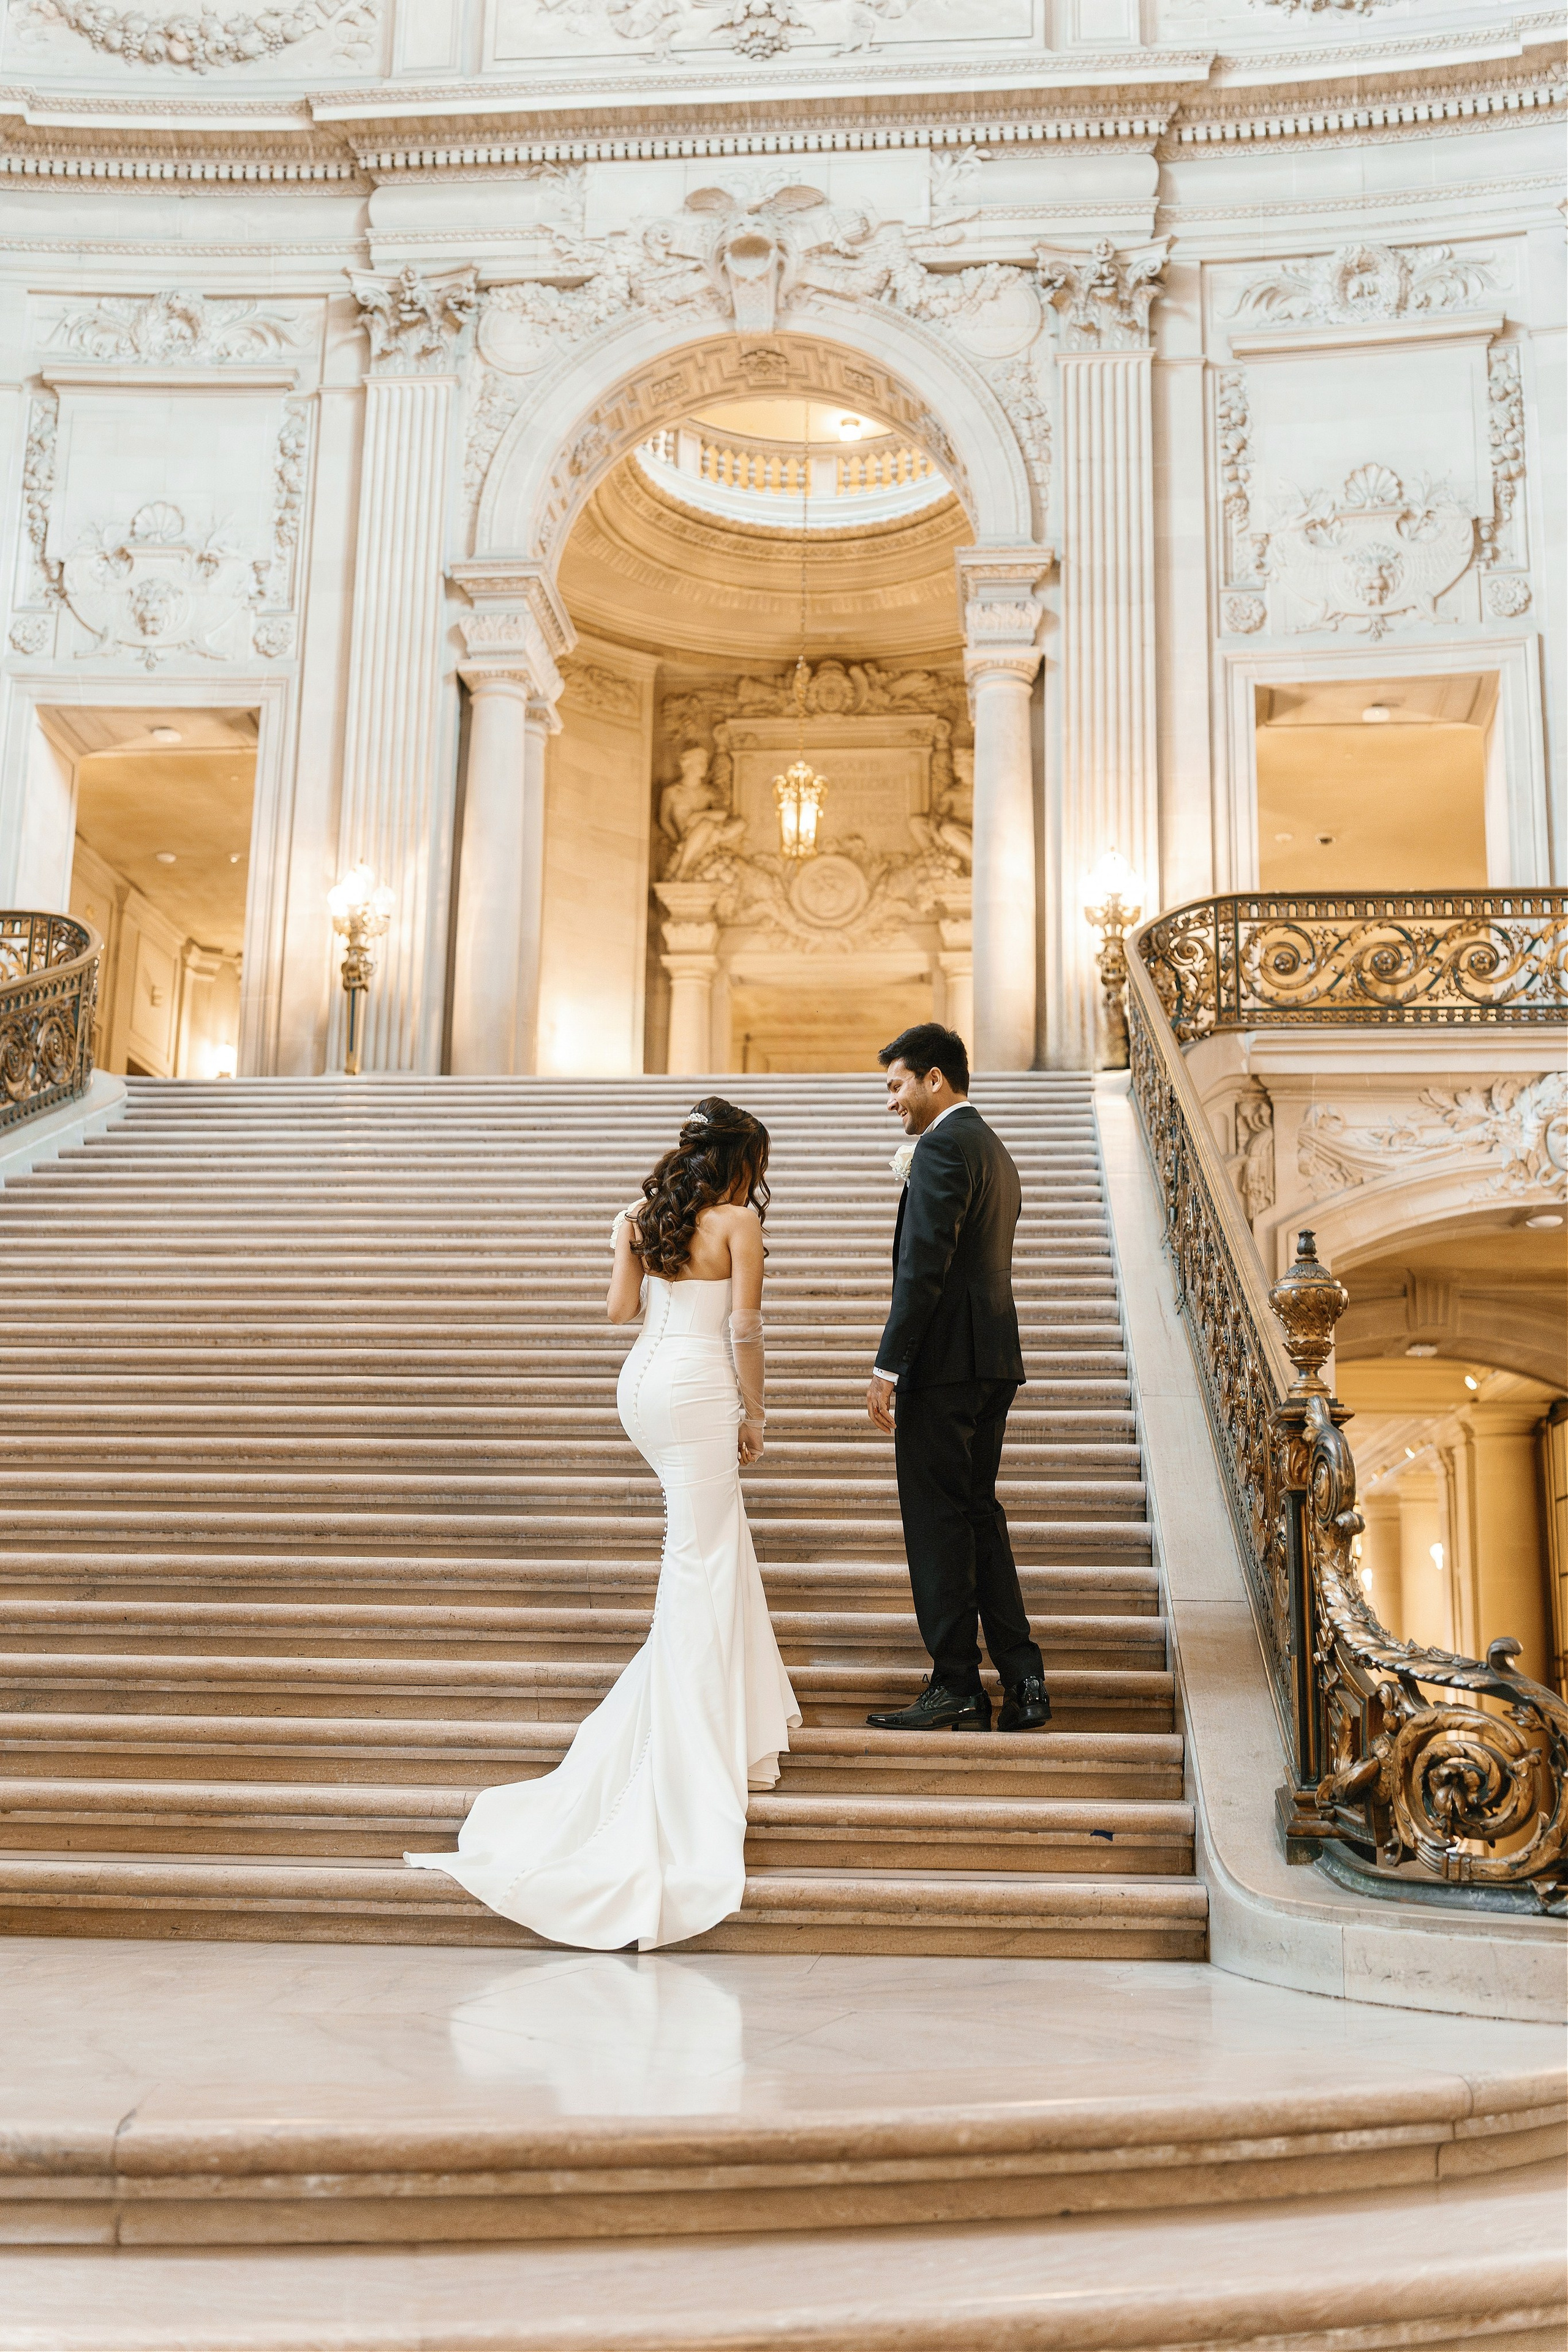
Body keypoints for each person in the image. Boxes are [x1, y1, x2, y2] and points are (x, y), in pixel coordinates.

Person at [406, 1097, 799, 1948]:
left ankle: (731, 1728)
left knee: (706, 1550)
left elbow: (620, 1315)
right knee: (704, 1557)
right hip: (697, 1390)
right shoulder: (738, 1224)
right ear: (742, 1160)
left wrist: (622, 1243)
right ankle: (695, 1742)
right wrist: (758, 1411)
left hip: (642, 1390)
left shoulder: (642, 1215)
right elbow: (747, 1328)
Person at [863, 1023, 1051, 1735]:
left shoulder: (942, 1145)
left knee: (938, 1523)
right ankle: (1023, 1679)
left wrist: (889, 1364)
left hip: (944, 1364)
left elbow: (924, 1266)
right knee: (976, 1517)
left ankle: (955, 1685)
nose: (892, 1103)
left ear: (933, 1078)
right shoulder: (992, 1147)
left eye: (896, 1084)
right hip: (991, 1357)